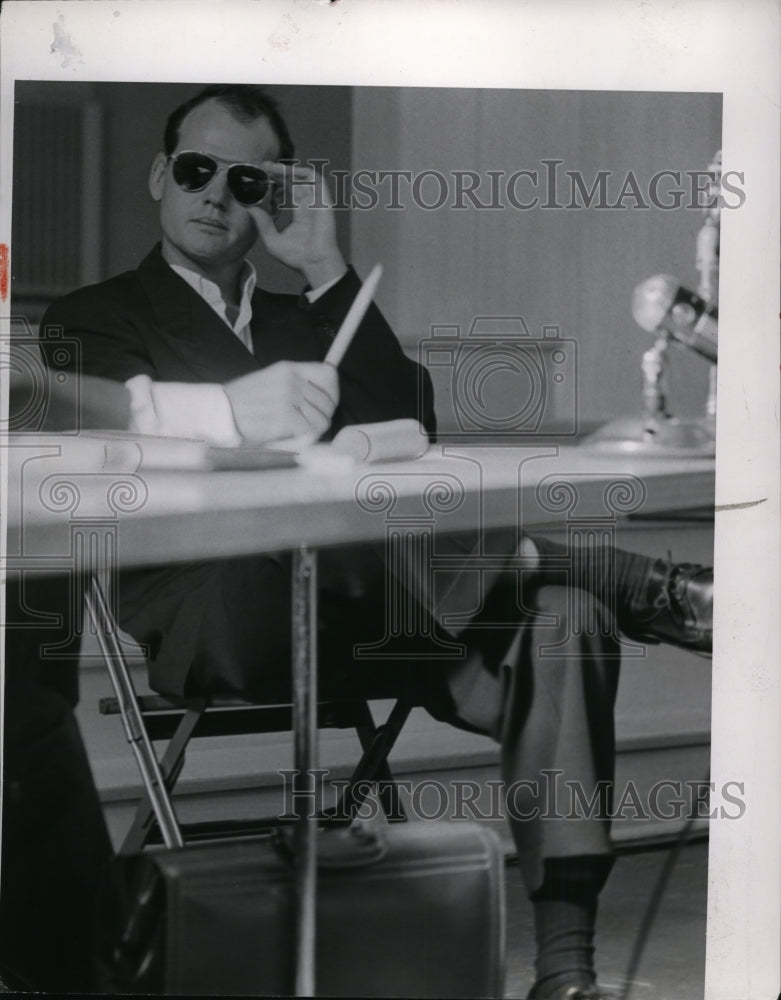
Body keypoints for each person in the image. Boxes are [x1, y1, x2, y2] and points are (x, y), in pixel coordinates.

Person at [39, 85, 712, 1000]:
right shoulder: (91, 317)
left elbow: (411, 426)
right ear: (161, 174)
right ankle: (636, 579)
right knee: (326, 513)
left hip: (383, 609)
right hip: (218, 609)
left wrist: (324, 271)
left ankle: (565, 973)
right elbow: (99, 441)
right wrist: (251, 429)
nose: (214, 195)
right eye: (194, 170)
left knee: (563, 617)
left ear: (270, 195)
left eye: (245, 179)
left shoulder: (308, 313)